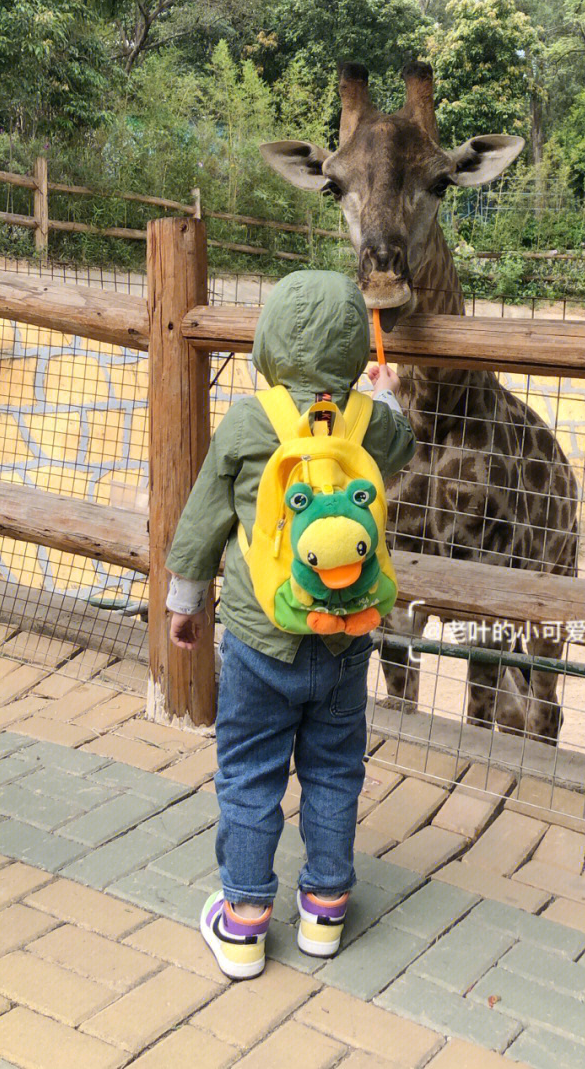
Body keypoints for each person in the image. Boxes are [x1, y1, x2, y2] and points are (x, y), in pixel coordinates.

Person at [165, 271, 415, 980]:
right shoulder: (370, 420)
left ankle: (243, 920)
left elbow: (204, 517)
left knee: (249, 772)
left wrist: (186, 601)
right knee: (335, 770)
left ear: (269, 337)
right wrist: (385, 386)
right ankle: (325, 909)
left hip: (258, 637)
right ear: (351, 346)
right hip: (343, 636)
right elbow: (403, 445)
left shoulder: (249, 421)